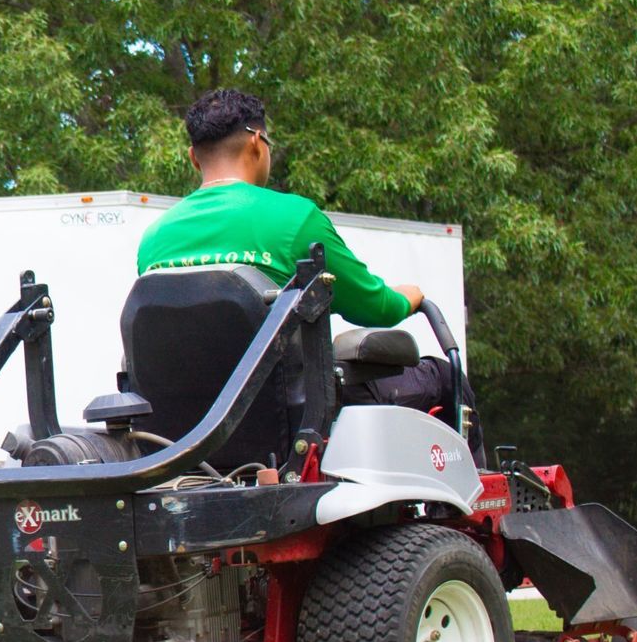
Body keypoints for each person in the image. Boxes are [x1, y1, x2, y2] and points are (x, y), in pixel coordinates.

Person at [137, 88, 479, 453]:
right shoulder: (295, 219)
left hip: (185, 431)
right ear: (256, 143)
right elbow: (376, 309)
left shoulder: (154, 239)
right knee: (443, 377)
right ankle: (475, 503)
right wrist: (410, 297)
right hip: (291, 419)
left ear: (193, 158)